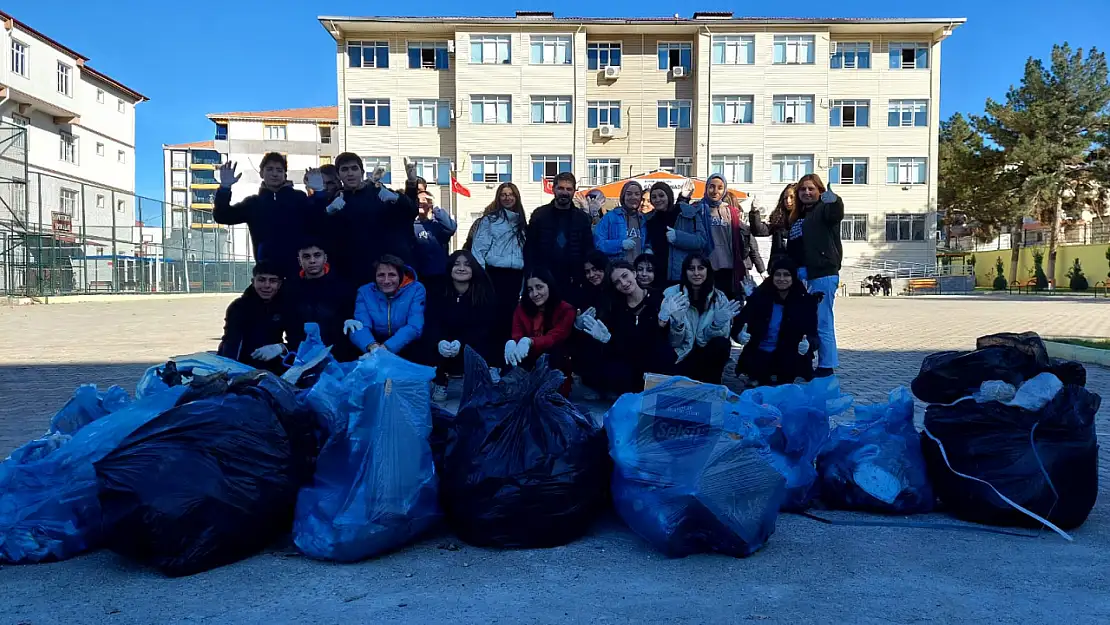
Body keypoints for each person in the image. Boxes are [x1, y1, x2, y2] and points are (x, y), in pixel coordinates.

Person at [578, 261, 677, 395]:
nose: (623, 283)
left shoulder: (658, 297)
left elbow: (665, 339)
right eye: (617, 282)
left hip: (656, 358)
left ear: (634, 273)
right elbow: (623, 346)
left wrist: (663, 323)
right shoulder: (617, 307)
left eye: (625, 276)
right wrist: (608, 339)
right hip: (631, 361)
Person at [321, 153, 420, 286]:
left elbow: (410, 213)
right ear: (338, 175)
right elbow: (324, 233)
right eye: (344, 169)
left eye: (354, 168)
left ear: (361, 172)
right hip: (351, 273)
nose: (350, 173)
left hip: (384, 271)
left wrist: (408, 189)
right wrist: (327, 213)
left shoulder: (378, 192)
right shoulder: (335, 199)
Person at [214, 153, 317, 279]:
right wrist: (225, 188)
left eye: (279, 170)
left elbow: (318, 219)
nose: (274, 174)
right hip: (267, 275)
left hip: (298, 273)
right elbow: (222, 216)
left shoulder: (299, 198)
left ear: (285, 175)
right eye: (269, 169)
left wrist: (318, 192)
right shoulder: (253, 203)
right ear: (261, 173)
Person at [784, 174, 843, 377]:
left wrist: (835, 200)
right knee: (805, 322)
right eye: (803, 190)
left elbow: (836, 213)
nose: (807, 193)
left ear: (820, 191)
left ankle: (827, 365)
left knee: (823, 320)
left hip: (822, 273)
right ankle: (805, 362)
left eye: (811, 189)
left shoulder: (823, 210)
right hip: (802, 276)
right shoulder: (799, 217)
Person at [733, 257, 819, 387]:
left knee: (788, 373)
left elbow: (813, 335)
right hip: (762, 352)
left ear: (793, 277)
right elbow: (739, 324)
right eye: (777, 274)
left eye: (786, 275)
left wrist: (809, 344)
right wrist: (739, 335)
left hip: (789, 355)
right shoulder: (758, 297)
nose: (782, 279)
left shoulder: (804, 302)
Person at [422, 250, 495, 402]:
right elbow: (432, 321)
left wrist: (461, 343)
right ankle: (439, 382)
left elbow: (483, 326)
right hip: (444, 343)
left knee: (484, 344)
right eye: (457, 264)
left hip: (470, 342)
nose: (461, 268)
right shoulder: (438, 292)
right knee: (428, 341)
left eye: (467, 265)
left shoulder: (483, 293)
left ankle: (477, 383)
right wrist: (439, 341)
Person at [470, 182, 528, 363]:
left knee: (512, 321)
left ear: (516, 197)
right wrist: (482, 278)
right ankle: (492, 363)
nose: (507, 197)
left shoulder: (523, 223)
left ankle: (508, 363)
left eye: (511, 194)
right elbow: (478, 250)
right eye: (503, 194)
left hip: (516, 276)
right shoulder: (490, 220)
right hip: (494, 275)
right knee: (493, 321)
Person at [662, 254, 739, 385]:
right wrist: (678, 324)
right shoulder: (672, 294)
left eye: (701, 268)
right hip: (681, 353)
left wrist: (716, 325)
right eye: (691, 269)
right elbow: (673, 342)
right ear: (685, 271)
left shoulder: (719, 298)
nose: (696, 273)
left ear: (708, 270)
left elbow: (723, 336)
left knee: (722, 344)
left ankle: (712, 385)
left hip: (706, 353)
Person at [284, 239, 358, 362]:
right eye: (306, 257)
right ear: (299, 261)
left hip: (339, 357)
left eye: (317, 255)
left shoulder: (343, 287)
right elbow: (291, 327)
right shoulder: (290, 289)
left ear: (325, 258)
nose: (312, 260)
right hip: (302, 356)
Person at [507, 268, 577, 395]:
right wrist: (512, 343)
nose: (535, 293)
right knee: (512, 355)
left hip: (555, 362)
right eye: (530, 289)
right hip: (529, 358)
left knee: (557, 350)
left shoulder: (566, 310)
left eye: (539, 287)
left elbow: (556, 337)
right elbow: (517, 333)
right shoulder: (521, 308)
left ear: (549, 286)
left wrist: (529, 341)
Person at [524, 172, 596, 294]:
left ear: (574, 191)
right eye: (561, 188)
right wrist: (531, 274)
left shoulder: (582, 218)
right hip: (544, 280)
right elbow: (530, 249)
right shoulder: (539, 215)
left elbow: (588, 250)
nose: (564, 192)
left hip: (574, 280)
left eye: (569, 189)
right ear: (553, 189)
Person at [345, 254, 426, 360]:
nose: (386, 281)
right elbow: (361, 325)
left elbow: (414, 326)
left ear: (400, 276)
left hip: (407, 346)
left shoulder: (416, 289)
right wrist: (372, 346)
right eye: (381, 275)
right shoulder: (365, 292)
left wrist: (386, 348)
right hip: (374, 346)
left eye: (392, 275)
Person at [698, 174, 763, 300]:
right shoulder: (698, 209)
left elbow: (747, 235)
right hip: (707, 266)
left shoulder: (731, 212)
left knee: (729, 304)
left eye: (720, 187)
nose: (715, 191)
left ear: (724, 190)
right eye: (711, 187)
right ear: (706, 188)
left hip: (729, 267)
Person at [217, 261, 289, 374]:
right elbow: (231, 341)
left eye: (273, 281)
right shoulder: (238, 307)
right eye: (261, 280)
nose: (267, 285)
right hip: (242, 365)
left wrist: (281, 347)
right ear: (253, 282)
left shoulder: (286, 307)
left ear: (279, 284)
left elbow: (297, 339)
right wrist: (230, 370)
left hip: (273, 363)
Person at [644, 180, 710, 285]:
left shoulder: (687, 213)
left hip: (682, 274)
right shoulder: (649, 219)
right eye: (654, 197)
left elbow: (701, 240)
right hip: (658, 275)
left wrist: (678, 237)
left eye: (661, 195)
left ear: (669, 196)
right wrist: (648, 249)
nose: (658, 199)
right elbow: (649, 241)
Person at [413, 189, 458, 296]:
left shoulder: (438, 225)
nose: (421, 202)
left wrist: (435, 207)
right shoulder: (412, 225)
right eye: (418, 200)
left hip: (439, 277)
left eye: (425, 200)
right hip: (417, 277)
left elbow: (451, 228)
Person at [594, 181, 647, 264]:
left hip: (639, 271)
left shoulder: (643, 220)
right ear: (623, 197)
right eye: (629, 194)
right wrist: (620, 244)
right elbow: (598, 244)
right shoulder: (610, 217)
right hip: (617, 271)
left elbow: (647, 242)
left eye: (637, 194)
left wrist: (648, 249)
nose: (633, 197)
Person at [748, 183, 797, 260]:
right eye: (785, 198)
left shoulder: (804, 219)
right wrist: (754, 212)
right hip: (778, 265)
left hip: (799, 266)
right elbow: (759, 231)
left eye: (792, 197)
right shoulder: (778, 219)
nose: (788, 201)